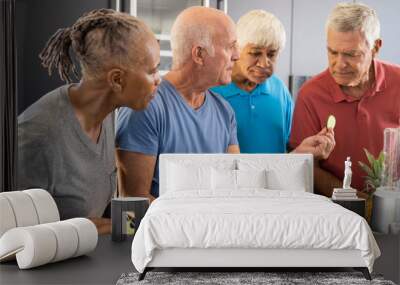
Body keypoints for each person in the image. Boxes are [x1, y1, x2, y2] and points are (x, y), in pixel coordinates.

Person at [116, 7, 335, 201]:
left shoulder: (223, 111)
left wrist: (299, 156)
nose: (237, 56)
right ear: (199, 54)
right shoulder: (144, 106)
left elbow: (239, 183)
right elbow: (133, 204)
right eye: (230, 47)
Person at [17, 9, 161, 233]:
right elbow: (16, 236)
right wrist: (135, 226)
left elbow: (97, 215)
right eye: (152, 71)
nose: (158, 80)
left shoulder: (108, 114)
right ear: (117, 80)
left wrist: (165, 217)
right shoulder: (36, 137)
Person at [289, 2, 400, 197]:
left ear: (375, 47)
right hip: (336, 212)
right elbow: (305, 167)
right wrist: (357, 200)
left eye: (351, 54)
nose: (339, 64)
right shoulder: (310, 95)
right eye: (332, 52)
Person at [211, 10, 293, 153]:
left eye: (272, 54)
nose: (263, 63)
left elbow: (291, 147)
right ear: (236, 49)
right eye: (255, 53)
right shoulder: (212, 91)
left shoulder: (280, 90)